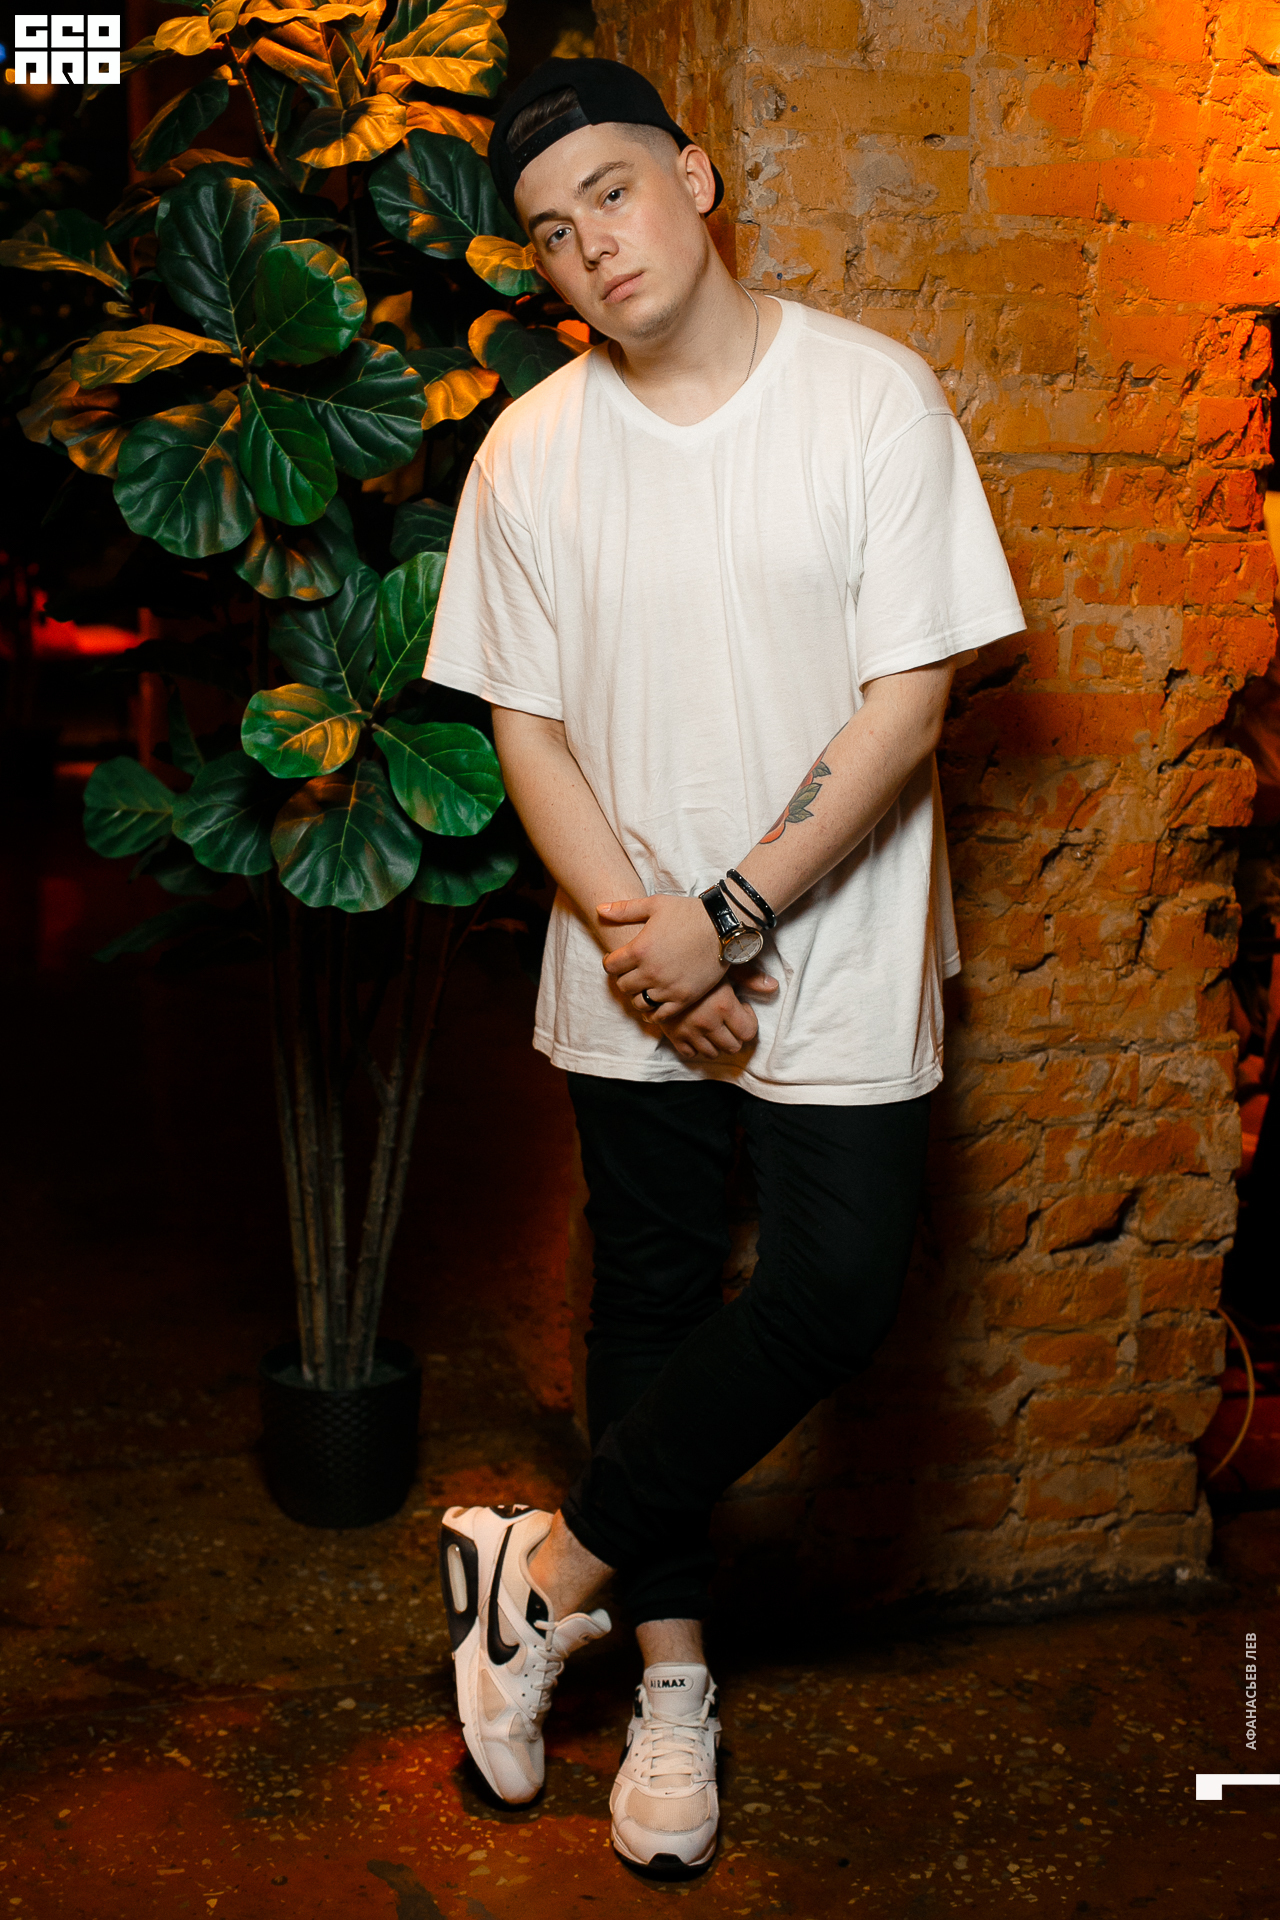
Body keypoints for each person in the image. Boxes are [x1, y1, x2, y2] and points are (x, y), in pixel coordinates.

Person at [423, 55, 1025, 1877]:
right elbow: (525, 724)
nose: (590, 245)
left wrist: (732, 918)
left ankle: (541, 1576)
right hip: (630, 959)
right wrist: (648, 941)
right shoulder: (532, 448)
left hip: (832, 947)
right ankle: (668, 1686)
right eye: (550, 232)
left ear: (692, 176)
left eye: (611, 192)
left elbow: (913, 690)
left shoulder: (869, 398)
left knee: (835, 1290)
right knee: (655, 1297)